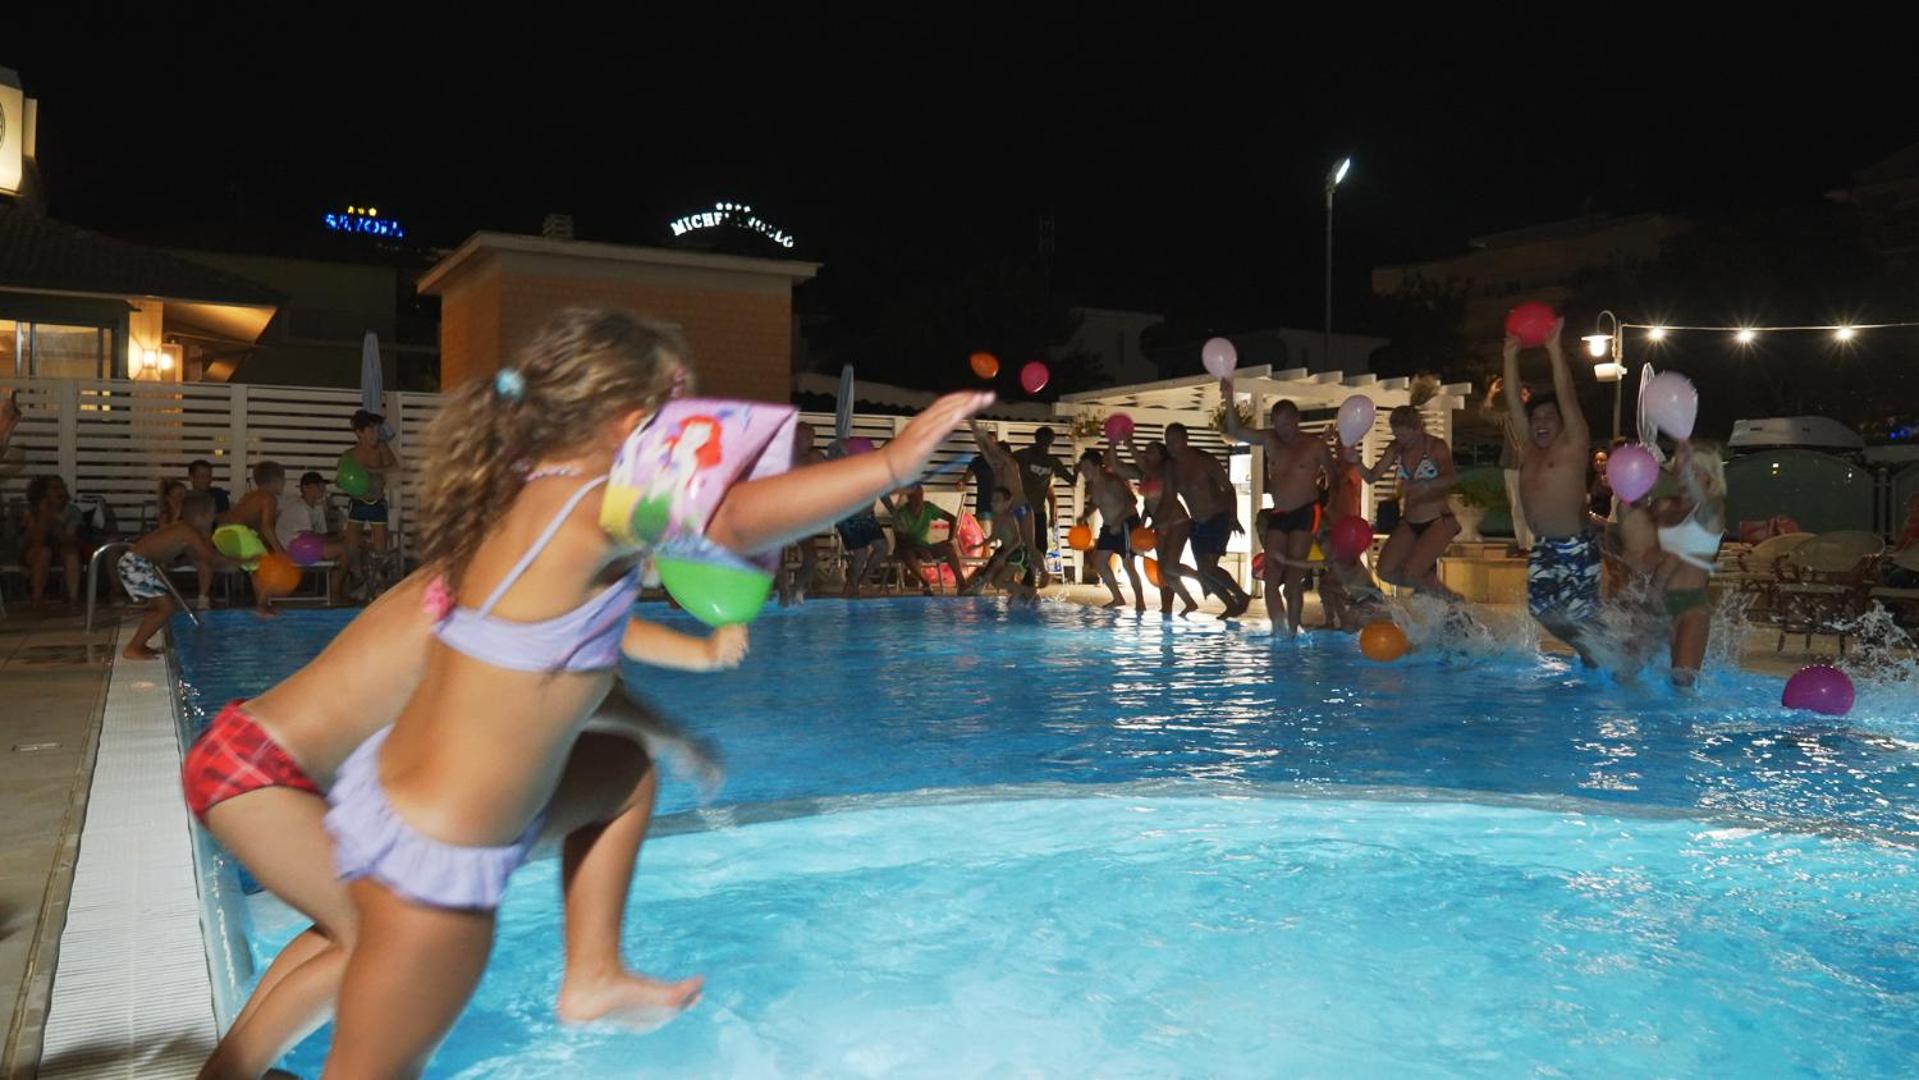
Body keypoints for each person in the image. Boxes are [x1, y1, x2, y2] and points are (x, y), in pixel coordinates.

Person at [320, 310, 991, 1074]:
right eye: (677, 408)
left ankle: (593, 974)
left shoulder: (529, 496)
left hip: (409, 798)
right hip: (440, 856)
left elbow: (554, 675)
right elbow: (728, 522)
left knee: (619, 773)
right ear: (632, 418)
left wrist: (667, 732)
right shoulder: (591, 508)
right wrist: (892, 466)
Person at [185, 569, 723, 1077]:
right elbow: (577, 694)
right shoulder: (508, 599)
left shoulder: (480, 575)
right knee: (385, 937)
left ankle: (235, 1069)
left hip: (251, 754)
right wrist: (677, 737)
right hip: (261, 773)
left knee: (349, 925)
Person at [1503, 321, 1601, 665]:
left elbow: (1567, 395)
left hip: (1577, 545)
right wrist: (1509, 356)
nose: (1540, 422)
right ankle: (1597, 651)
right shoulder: (1528, 450)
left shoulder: (1573, 443)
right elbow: (1513, 403)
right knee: (1542, 610)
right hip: (1545, 545)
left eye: (1549, 416)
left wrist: (1554, 348)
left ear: (1563, 422)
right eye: (1536, 418)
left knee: (1581, 616)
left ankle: (1607, 659)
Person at [1222, 381, 1336, 636]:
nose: (1283, 430)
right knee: (1271, 580)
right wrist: (1228, 397)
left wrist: (1331, 511)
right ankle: (1279, 632)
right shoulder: (1270, 440)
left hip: (1306, 512)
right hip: (1280, 513)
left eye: (1287, 424)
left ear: (1297, 419)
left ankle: (1292, 632)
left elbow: (1334, 478)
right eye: (1278, 425)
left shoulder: (1315, 446)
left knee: (1293, 582)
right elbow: (1235, 430)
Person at [1343, 384, 1459, 598]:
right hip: (1410, 521)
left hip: (1438, 520)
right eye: (1397, 435)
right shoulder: (1395, 448)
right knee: (1385, 571)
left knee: (1413, 574)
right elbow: (1371, 477)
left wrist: (1423, 484)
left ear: (1419, 429)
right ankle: (1432, 590)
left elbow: (1450, 478)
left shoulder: (1435, 447)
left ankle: (1453, 601)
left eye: (1406, 436)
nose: (1402, 441)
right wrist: (1356, 461)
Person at [1648, 440, 1725, 687]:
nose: (1688, 476)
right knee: (1626, 676)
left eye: (1696, 471)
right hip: (1656, 602)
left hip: (1691, 606)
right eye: (1685, 470)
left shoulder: (1713, 510)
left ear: (1710, 478)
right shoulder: (1663, 507)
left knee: (1682, 684)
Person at [1162, 422, 1252, 618]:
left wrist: (1233, 517)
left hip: (1218, 517)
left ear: (1186, 439)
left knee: (1208, 567)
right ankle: (1230, 604)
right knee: (1203, 572)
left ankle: (1241, 595)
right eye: (1168, 442)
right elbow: (1169, 498)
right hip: (1197, 523)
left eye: (1175, 441)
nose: (1171, 446)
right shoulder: (1172, 468)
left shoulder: (1204, 460)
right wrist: (1161, 522)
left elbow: (1228, 488)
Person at [1108, 438, 1203, 616]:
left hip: (1177, 522)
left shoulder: (1166, 473)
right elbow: (1117, 467)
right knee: (1163, 569)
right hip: (1159, 524)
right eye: (1146, 451)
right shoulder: (1143, 474)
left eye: (1151, 451)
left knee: (1169, 565)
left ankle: (1202, 578)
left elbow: (1165, 501)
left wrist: (1128, 442)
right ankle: (1173, 605)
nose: (1146, 454)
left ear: (1162, 456)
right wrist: (1113, 443)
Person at [119, 492, 220, 660]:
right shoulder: (187, 531)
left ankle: (139, 644)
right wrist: (243, 560)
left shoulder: (184, 529)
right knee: (166, 608)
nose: (214, 518)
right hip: (136, 564)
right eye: (212, 514)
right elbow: (209, 557)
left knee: (160, 608)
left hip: (137, 563)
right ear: (202, 516)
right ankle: (133, 647)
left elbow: (198, 557)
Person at [963, 422, 1037, 594]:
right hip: (1006, 510)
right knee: (1006, 546)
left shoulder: (1012, 465)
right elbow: (986, 452)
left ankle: (1032, 580)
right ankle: (1000, 583)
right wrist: (974, 429)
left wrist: (989, 441)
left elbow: (995, 452)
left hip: (1022, 509)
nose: (993, 461)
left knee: (1028, 546)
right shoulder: (996, 467)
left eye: (997, 456)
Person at [1075, 448, 1145, 611]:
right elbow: (1096, 502)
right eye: (1082, 468)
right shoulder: (1093, 485)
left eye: (1087, 468)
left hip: (1126, 523)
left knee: (1128, 565)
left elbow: (1132, 502)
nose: (1084, 472)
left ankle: (1140, 602)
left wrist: (1118, 523)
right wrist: (1085, 515)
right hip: (1109, 526)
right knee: (1099, 561)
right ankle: (1118, 598)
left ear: (1097, 467)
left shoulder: (1112, 482)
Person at [342, 410, 399, 593]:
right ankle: (357, 573)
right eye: (372, 431)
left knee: (380, 546)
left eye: (377, 431)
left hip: (376, 501)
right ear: (359, 432)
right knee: (351, 543)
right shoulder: (350, 454)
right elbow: (342, 477)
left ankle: (379, 579)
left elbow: (394, 466)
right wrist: (342, 480)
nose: (376, 435)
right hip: (357, 501)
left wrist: (372, 470)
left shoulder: (381, 448)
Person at [1011, 426, 1075, 589]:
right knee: (1018, 544)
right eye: (1043, 441)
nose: (1045, 444)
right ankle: (1011, 575)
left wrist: (1079, 469)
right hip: (1021, 509)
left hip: (1038, 511)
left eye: (1048, 442)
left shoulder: (1052, 461)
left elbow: (1072, 481)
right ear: (1037, 439)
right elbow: (1004, 463)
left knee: (1041, 546)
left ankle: (1030, 578)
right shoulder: (1023, 455)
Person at [777, 422, 827, 606]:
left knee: (812, 558)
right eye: (807, 437)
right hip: (780, 514)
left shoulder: (815, 457)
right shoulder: (783, 458)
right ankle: (783, 591)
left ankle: (798, 587)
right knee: (778, 558)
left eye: (813, 437)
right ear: (795, 438)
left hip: (802, 516)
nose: (811, 441)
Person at [885, 483, 968, 593]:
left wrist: (950, 539)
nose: (919, 499)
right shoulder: (901, 515)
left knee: (949, 548)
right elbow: (902, 541)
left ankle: (962, 584)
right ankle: (925, 583)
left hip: (924, 546)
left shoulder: (928, 507)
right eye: (915, 496)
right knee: (907, 554)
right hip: (907, 548)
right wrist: (919, 549)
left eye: (920, 496)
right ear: (909, 498)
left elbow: (952, 518)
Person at [1481, 376, 1532, 552]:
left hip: (1531, 468)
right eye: (1521, 394)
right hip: (1512, 466)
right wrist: (1491, 393)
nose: (1524, 397)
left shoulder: (1533, 418)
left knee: (1530, 506)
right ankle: (1523, 545)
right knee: (1517, 507)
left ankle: (1532, 545)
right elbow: (1485, 414)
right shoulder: (1508, 417)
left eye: (1526, 394)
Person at [24, 475, 83, 607]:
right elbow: (34, 540)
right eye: (55, 488)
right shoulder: (31, 512)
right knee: (43, 552)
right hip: (34, 550)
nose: (60, 492)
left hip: (61, 547)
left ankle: (73, 598)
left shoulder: (73, 511)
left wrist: (52, 519)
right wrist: (42, 516)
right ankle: (37, 598)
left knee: (71, 553)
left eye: (62, 487)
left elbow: (68, 538)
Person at [222, 461, 291, 557]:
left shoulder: (249, 496)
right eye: (283, 479)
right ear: (276, 480)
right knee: (264, 562)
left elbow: (256, 527)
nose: (284, 483)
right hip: (238, 535)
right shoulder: (268, 498)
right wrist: (280, 551)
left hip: (223, 535)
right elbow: (267, 528)